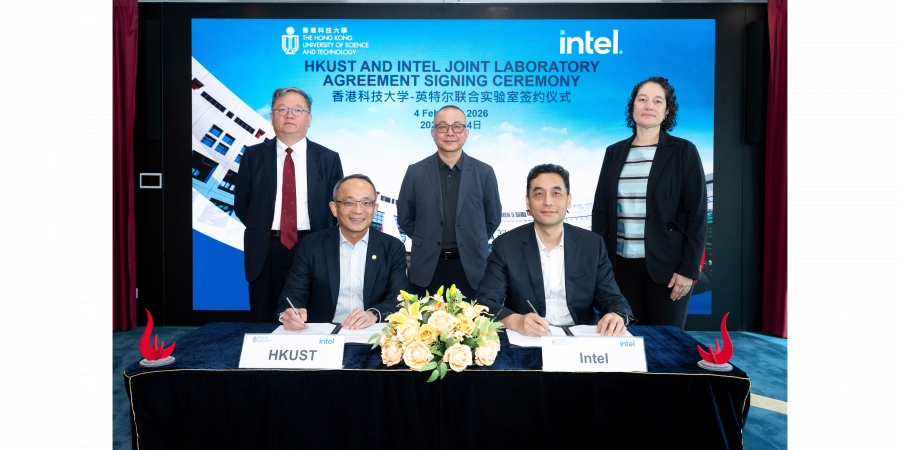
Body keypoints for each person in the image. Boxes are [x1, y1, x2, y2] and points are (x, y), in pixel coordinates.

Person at [591, 77, 708, 329]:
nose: (648, 106)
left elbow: (697, 215)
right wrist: (598, 266)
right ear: (632, 106)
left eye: (657, 101)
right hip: (620, 268)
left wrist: (688, 270)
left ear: (667, 111)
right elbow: (601, 211)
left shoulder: (683, 151)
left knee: (667, 342)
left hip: (669, 271)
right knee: (627, 341)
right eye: (642, 99)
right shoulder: (614, 152)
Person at [476, 164, 634, 337]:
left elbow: (613, 299)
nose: (548, 201)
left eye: (556, 193)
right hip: (529, 337)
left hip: (582, 337)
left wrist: (617, 315)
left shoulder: (592, 244)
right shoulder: (505, 245)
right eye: (539, 194)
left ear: (569, 200)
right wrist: (516, 321)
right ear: (528, 201)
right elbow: (485, 302)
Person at [235, 87, 344, 322]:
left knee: (310, 320)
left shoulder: (329, 158)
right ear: (272, 116)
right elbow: (242, 204)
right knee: (263, 321)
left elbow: (337, 208)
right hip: (265, 250)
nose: (289, 115)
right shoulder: (253, 156)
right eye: (282, 109)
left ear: (309, 119)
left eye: (297, 110)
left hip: (312, 247)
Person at [278, 175, 408, 330]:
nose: (358, 210)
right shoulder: (311, 244)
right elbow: (293, 292)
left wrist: (373, 314)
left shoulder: (393, 248)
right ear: (334, 208)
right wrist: (290, 313)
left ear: (375, 209)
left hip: (371, 331)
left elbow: (399, 299)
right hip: (322, 332)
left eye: (366, 203)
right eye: (349, 202)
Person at [397, 105, 501, 299]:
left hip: (471, 268)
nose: (450, 133)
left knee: (474, 319)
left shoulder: (484, 172)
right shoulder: (415, 172)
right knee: (423, 319)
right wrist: (427, 239)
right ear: (433, 133)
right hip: (427, 267)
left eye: (457, 127)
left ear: (466, 133)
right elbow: (405, 217)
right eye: (443, 127)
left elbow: (493, 218)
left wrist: (470, 240)